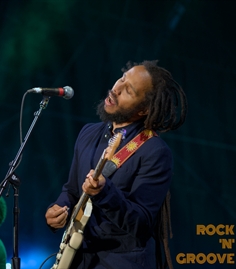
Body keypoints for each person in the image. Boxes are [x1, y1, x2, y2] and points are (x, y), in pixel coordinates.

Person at [45, 60, 187, 269]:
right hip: (79, 259)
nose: (116, 89)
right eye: (122, 78)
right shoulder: (88, 133)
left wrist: (104, 192)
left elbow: (142, 223)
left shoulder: (154, 151)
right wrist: (58, 208)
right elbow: (72, 190)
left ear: (144, 110)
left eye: (128, 90)